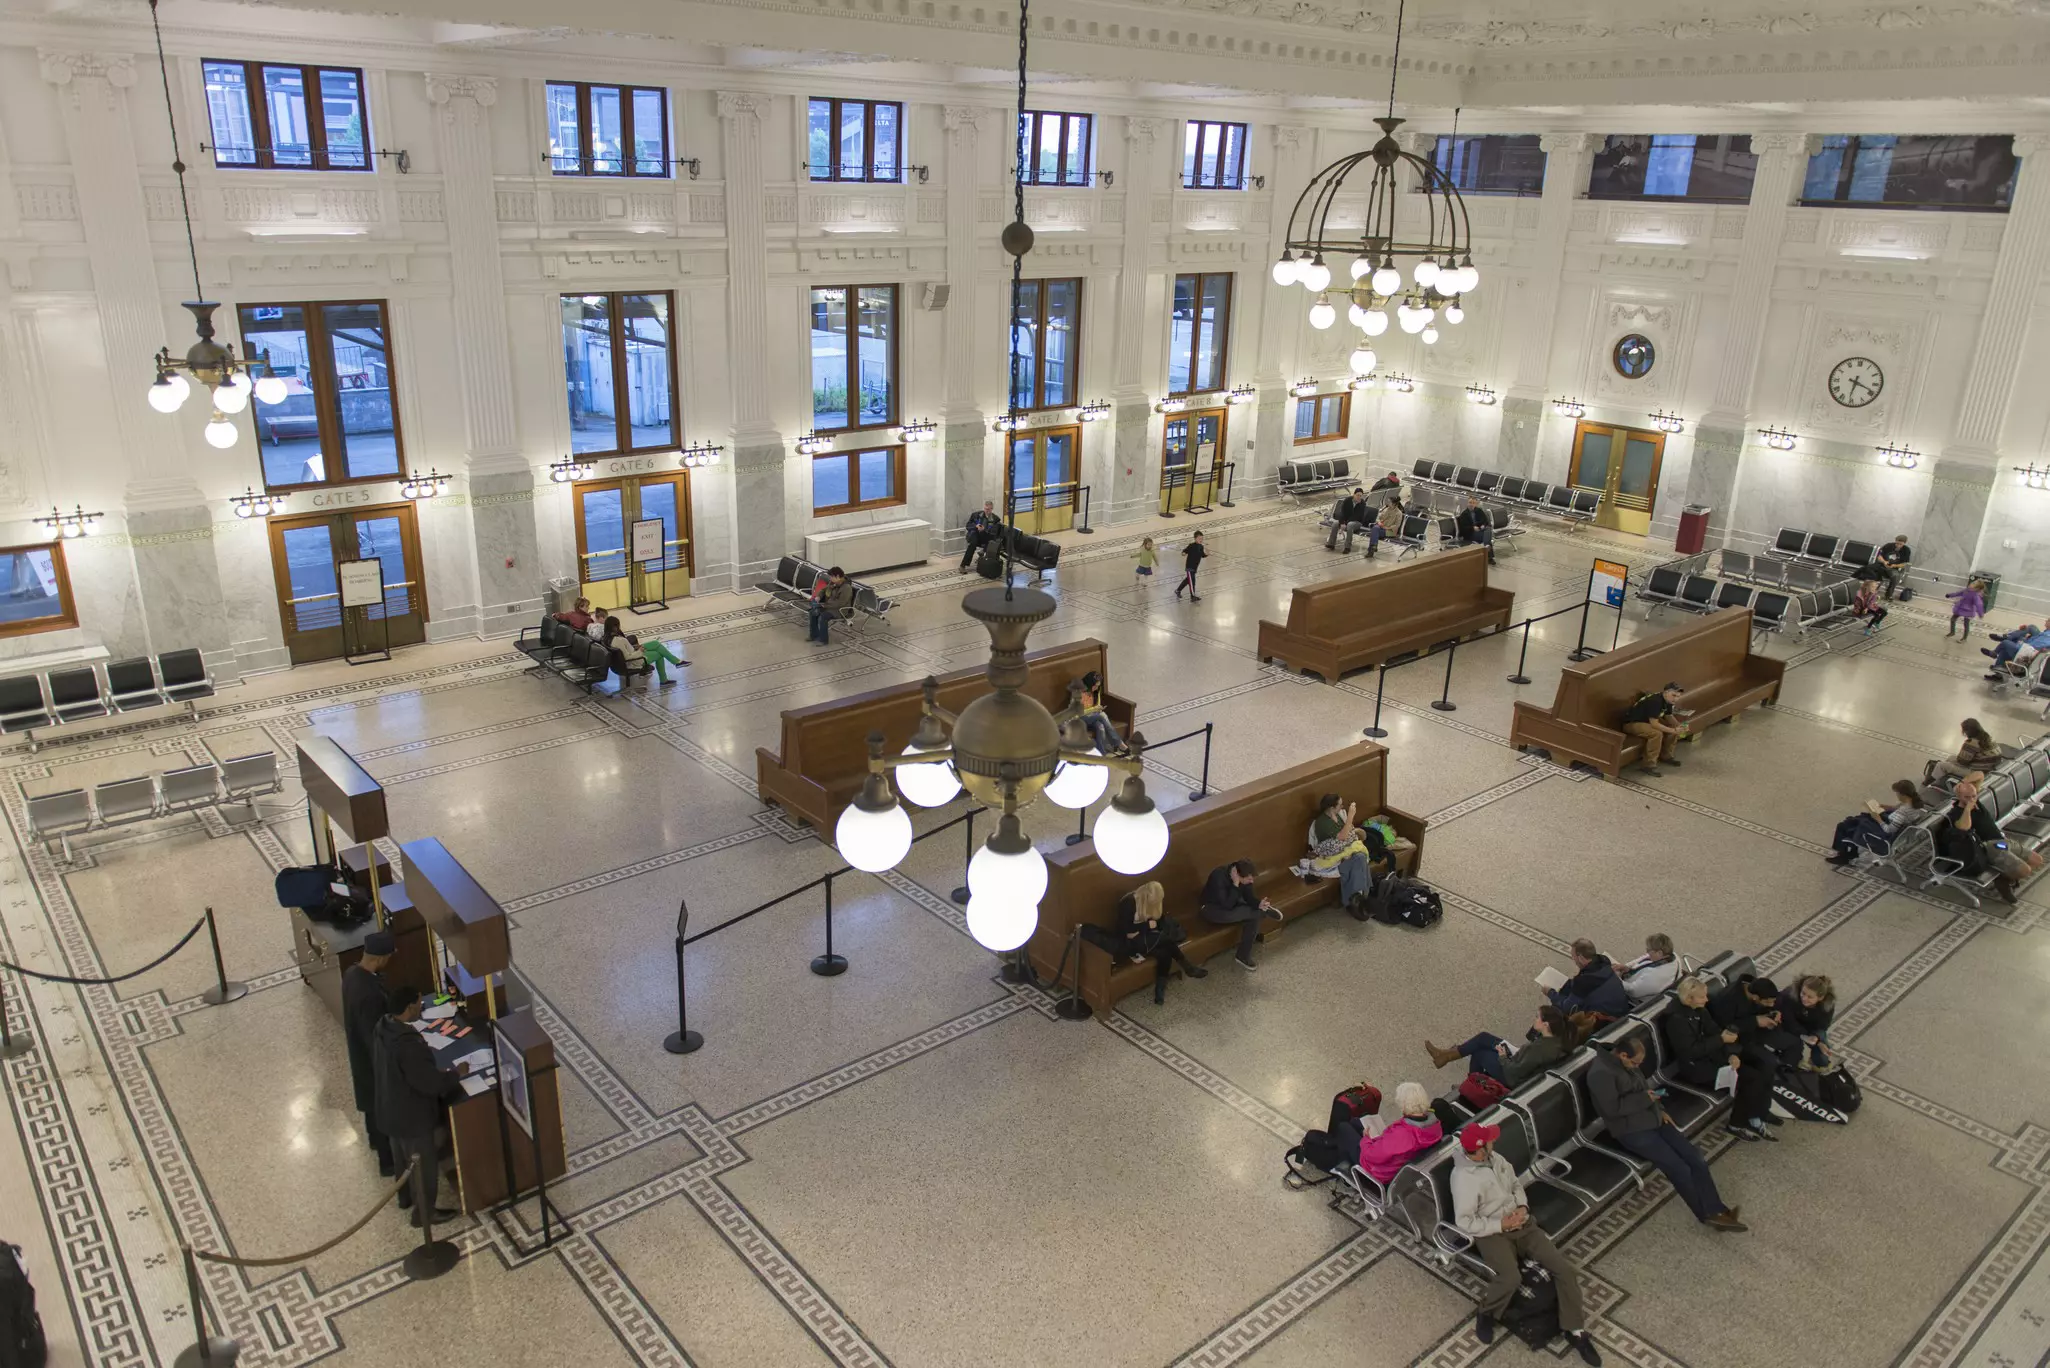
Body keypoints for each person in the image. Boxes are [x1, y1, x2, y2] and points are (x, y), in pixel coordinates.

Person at [1449, 1121, 1602, 1364]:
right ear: (1479, 1150)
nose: (1494, 1142)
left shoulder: (1496, 1159)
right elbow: (1465, 1222)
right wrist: (1500, 1225)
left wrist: (1521, 1207)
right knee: (1510, 1278)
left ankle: (1574, 1330)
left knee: (1564, 1271)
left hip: (1522, 1224)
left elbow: (1516, 1185)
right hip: (1493, 1233)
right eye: (1489, 1140)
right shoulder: (1462, 1180)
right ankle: (1486, 1312)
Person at [1587, 1038, 1747, 1231]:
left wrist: (1659, 1108)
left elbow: (1644, 1087)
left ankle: (1716, 1209)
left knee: (1694, 1157)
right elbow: (1612, 1109)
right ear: (1622, 1055)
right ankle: (1707, 1214)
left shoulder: (1627, 1064)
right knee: (1678, 1168)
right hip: (1631, 1129)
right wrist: (1645, 1099)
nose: (1637, 1066)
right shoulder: (1600, 1073)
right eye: (1635, 1063)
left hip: (1652, 1118)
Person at [373, 995, 470, 1226]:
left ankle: (405, 1198)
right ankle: (425, 1214)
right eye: (418, 1004)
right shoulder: (407, 1045)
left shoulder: (383, 1027)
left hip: (390, 1109)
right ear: (408, 1007)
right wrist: (455, 1074)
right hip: (412, 1117)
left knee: (401, 1159)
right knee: (422, 1165)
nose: (421, 1007)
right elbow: (430, 1084)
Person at [1664, 977, 1777, 1143]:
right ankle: (1737, 1124)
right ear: (1689, 999)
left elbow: (1715, 1031)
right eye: (1702, 997)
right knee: (1751, 1079)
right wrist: (1722, 1041)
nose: (1707, 1000)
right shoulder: (1676, 1020)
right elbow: (1690, 1051)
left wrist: (1731, 1055)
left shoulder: (1700, 1010)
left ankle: (1753, 1115)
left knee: (1757, 1072)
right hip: (1696, 1068)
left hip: (1712, 1058)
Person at [1079, 881, 1207, 1004]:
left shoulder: (1154, 902)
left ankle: (1160, 990)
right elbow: (1126, 931)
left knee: (1165, 954)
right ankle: (1188, 968)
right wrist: (1146, 925)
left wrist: (1145, 928)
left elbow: (1159, 922)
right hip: (1129, 943)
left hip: (1146, 939)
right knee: (1165, 940)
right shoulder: (1129, 903)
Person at [341, 930, 401, 1181]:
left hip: (360, 1055)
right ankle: (387, 1162)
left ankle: (375, 1142)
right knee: (381, 1107)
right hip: (373, 1059)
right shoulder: (370, 995)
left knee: (370, 1104)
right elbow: (374, 1033)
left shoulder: (352, 974)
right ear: (380, 958)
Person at [1426, 1005, 1579, 1088]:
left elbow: (1513, 1072)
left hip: (1514, 1077)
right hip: (1522, 1064)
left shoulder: (1538, 1049)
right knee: (1483, 1038)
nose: (1535, 1019)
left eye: (1537, 1017)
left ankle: (1471, 1084)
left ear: (1545, 1025)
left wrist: (1503, 1057)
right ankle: (1446, 1056)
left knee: (1480, 1053)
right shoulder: (1557, 1040)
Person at [1950, 777, 2041, 903]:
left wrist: (1964, 783)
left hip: (2002, 841)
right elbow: (1964, 827)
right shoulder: (1956, 812)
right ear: (1959, 797)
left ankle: (2003, 879)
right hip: (1990, 846)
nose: (1971, 799)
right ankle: (2002, 883)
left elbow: (1979, 774)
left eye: (1974, 796)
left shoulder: (1977, 802)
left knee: (2037, 860)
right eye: (1967, 797)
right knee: (2025, 870)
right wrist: (1967, 810)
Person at [1305, 792, 1388, 918]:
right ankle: (1360, 898)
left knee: (1359, 857)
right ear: (1331, 807)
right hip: (1333, 858)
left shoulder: (1337, 816)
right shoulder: (1322, 822)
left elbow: (1349, 834)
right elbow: (1342, 837)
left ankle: (1356, 900)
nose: (1342, 806)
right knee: (1359, 859)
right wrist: (1350, 816)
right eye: (1340, 805)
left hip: (1345, 854)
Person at [1200, 858, 1281, 970]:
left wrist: (1258, 903)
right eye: (1249, 879)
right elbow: (1227, 905)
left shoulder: (1244, 872)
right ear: (1237, 875)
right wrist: (1235, 884)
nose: (1251, 881)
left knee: (1253, 916)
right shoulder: (1217, 876)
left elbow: (1249, 897)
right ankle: (1262, 912)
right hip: (1211, 909)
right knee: (1251, 913)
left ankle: (1242, 956)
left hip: (1234, 903)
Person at [1708, 974, 1800, 1072]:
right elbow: (1725, 1026)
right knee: (1769, 1062)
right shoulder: (1727, 1001)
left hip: (1757, 1028)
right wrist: (1755, 1021)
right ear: (1755, 997)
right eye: (1768, 1002)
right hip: (1740, 1039)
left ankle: (1787, 1071)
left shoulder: (1756, 989)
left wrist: (1771, 1012)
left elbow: (1764, 1006)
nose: (1771, 1004)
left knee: (1795, 1043)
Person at [1825, 779, 1926, 865]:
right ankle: (1851, 852)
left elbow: (1889, 830)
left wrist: (1878, 818)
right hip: (1896, 832)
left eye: (1897, 793)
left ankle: (1842, 855)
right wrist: (1888, 807)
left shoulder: (1903, 811)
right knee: (1853, 822)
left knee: (1845, 825)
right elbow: (1899, 812)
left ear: (1903, 794)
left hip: (1884, 836)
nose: (1896, 795)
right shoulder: (1915, 803)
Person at [1357, 1081, 1441, 1186]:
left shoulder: (1403, 1134)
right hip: (1404, 1168)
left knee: (1345, 1128)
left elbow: (1371, 1155)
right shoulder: (1434, 1125)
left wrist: (1365, 1139)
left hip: (1382, 1173)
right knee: (1355, 1124)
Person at [1547, 939, 1629, 1019]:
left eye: (1573, 957)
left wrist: (1550, 993)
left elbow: (1567, 1008)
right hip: (1621, 1012)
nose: (1574, 960)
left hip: (1603, 1021)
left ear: (1581, 958)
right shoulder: (1604, 964)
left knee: (1555, 1009)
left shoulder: (1583, 981)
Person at [1620, 682, 1687, 776]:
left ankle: (1666, 756)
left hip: (1646, 722)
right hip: (1632, 723)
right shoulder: (1655, 701)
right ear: (1666, 692)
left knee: (1672, 729)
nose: (1676, 699)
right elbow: (1654, 724)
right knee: (1656, 734)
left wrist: (1679, 726)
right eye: (1674, 695)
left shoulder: (1667, 700)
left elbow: (1668, 716)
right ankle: (1648, 765)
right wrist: (1673, 730)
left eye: (1678, 696)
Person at [1776, 974, 1836, 1071]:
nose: (1804, 998)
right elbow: (1788, 1020)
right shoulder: (1789, 996)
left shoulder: (1826, 1006)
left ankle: (1819, 1066)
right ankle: (1791, 1064)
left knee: (1822, 1045)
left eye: (1810, 997)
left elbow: (1823, 1025)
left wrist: (1817, 1039)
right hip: (1788, 1024)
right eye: (1803, 993)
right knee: (1795, 1042)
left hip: (1809, 1026)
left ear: (1820, 998)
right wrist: (1804, 1035)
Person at [1074, 671, 1136, 757]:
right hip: (1080, 719)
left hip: (1093, 717)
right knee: (1102, 715)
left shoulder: (1096, 691)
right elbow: (1078, 713)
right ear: (1089, 683)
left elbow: (1097, 705)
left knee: (1100, 726)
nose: (1096, 688)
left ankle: (1101, 754)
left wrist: (1098, 709)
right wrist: (1094, 709)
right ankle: (1118, 743)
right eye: (1095, 685)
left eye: (1098, 686)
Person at [1929, 718, 2003, 785]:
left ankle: (1932, 783)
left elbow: (1962, 761)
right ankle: (1944, 779)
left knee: (1941, 765)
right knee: (1951, 758)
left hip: (1977, 773)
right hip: (1989, 769)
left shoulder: (1972, 743)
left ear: (1968, 731)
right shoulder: (1988, 737)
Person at [1619, 933, 1681, 1005]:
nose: (1647, 952)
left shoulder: (1656, 976)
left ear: (1659, 953)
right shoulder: (1672, 956)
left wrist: (1617, 979)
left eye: (1649, 950)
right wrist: (1627, 967)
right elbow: (1643, 958)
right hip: (1631, 979)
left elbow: (1633, 991)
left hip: (1633, 998)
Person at [1984, 625, 2050, 681]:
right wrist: (2025, 637)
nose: (2045, 621)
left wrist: (2023, 642)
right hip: (2027, 648)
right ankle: (1998, 671)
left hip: (2026, 654)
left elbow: (2035, 646)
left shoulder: (2047, 638)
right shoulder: (2046, 633)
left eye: (2048, 621)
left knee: (2006, 643)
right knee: (2027, 631)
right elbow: (2035, 641)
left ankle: (1995, 653)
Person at [807, 566, 853, 645]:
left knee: (823, 616)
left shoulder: (846, 588)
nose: (830, 578)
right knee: (813, 612)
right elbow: (823, 590)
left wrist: (825, 605)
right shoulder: (833, 583)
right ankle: (814, 635)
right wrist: (819, 596)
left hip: (839, 610)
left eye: (832, 577)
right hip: (829, 606)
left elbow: (840, 603)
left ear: (838, 577)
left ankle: (824, 640)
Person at [959, 500, 1001, 573]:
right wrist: (976, 526)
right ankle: (963, 565)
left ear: (992, 509)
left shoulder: (995, 519)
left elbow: (994, 533)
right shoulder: (976, 515)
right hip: (975, 534)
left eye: (989, 509)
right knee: (972, 544)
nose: (987, 511)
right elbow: (968, 526)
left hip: (986, 536)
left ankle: (985, 560)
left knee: (992, 542)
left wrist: (985, 530)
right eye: (985, 509)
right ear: (984, 508)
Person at [1455, 495, 1496, 566]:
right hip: (1470, 534)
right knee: (1487, 536)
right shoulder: (1464, 514)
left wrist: (1483, 525)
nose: (1471, 504)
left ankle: (1487, 547)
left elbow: (1485, 521)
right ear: (1468, 503)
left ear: (1476, 504)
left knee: (1487, 530)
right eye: (1470, 502)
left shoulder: (1479, 511)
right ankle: (1489, 556)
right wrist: (1472, 528)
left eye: (1473, 503)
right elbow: (1463, 528)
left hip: (1480, 531)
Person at [1325, 488, 1370, 552]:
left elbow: (1357, 516)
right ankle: (1331, 544)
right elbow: (1342, 512)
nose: (1359, 497)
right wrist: (1342, 522)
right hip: (1346, 520)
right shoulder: (1347, 500)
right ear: (1354, 495)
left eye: (1360, 496)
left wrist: (1345, 523)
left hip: (1357, 522)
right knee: (1335, 523)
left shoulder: (1362, 504)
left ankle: (1347, 547)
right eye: (1357, 495)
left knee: (1350, 525)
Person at [1876, 534, 1913, 599]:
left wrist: (1895, 565)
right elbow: (1879, 555)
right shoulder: (1888, 546)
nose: (1898, 545)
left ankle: (1888, 594)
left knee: (1895, 576)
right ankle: (1871, 591)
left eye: (1900, 544)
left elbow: (1904, 564)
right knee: (1871, 570)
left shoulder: (1906, 550)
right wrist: (1884, 562)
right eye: (1897, 543)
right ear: (1895, 541)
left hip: (1894, 568)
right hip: (1882, 565)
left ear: (1904, 543)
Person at [1370, 494, 1404, 559]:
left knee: (1374, 530)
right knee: (1375, 528)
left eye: (1389, 502)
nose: (1387, 503)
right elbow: (1378, 517)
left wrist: (1387, 527)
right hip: (1381, 528)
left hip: (1391, 532)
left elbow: (1397, 525)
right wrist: (1379, 522)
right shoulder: (1386, 509)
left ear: (1394, 504)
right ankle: (1373, 547)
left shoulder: (1398, 513)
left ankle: (1372, 549)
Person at [1174, 532, 1207, 601]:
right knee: (1191, 582)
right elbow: (1185, 551)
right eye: (1199, 538)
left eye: (1202, 539)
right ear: (1195, 539)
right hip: (1189, 567)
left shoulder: (1201, 547)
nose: (1201, 540)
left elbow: (1202, 555)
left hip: (1194, 568)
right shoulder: (1191, 545)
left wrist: (1207, 554)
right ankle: (1192, 596)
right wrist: (1183, 553)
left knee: (1188, 581)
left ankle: (1178, 590)